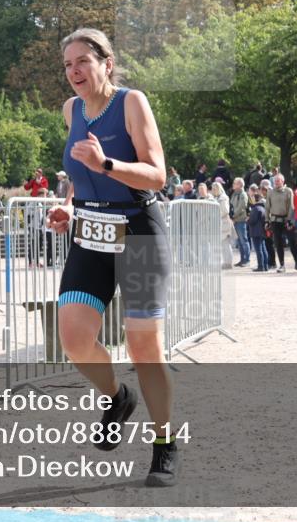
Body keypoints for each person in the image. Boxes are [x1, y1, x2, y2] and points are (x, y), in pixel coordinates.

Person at [44, 28, 178, 486]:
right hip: (90, 232)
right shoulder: (71, 110)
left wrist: (108, 165)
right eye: (67, 65)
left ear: (107, 63)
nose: (74, 71)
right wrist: (69, 202)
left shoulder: (131, 103)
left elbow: (157, 175)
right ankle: (118, 396)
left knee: (144, 346)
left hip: (138, 231)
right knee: (74, 339)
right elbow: (80, 171)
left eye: (83, 61)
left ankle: (164, 443)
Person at [264, 174, 294, 273]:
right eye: (275, 181)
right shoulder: (270, 192)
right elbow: (267, 207)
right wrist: (267, 220)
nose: (276, 182)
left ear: (283, 181)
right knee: (278, 243)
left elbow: (291, 207)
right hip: (275, 220)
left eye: (278, 181)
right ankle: (282, 264)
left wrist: (290, 220)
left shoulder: (288, 191)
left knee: (292, 241)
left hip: (286, 220)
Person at [211, 181, 233, 268]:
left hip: (224, 222)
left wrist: (215, 214)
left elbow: (225, 211)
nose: (213, 190)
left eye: (214, 188)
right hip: (218, 223)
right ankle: (223, 262)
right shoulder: (215, 198)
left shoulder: (223, 198)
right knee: (220, 244)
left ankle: (228, 262)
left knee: (225, 244)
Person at [229, 177, 250, 267]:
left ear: (240, 185)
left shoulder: (243, 194)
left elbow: (241, 207)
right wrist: (230, 216)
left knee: (243, 240)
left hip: (240, 220)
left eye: (235, 183)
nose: (233, 184)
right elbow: (231, 206)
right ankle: (242, 259)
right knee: (239, 242)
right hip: (234, 220)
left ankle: (247, 259)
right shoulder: (234, 194)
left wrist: (233, 216)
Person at [247, 193, 269, 272]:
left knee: (259, 249)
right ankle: (265, 265)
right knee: (263, 249)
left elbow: (252, 221)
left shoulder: (255, 209)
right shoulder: (262, 208)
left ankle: (261, 266)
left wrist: (248, 220)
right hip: (261, 231)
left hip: (256, 232)